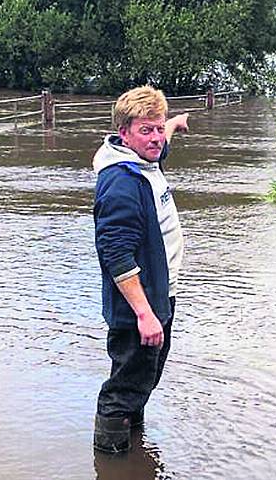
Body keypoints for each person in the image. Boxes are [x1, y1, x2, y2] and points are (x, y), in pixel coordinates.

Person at [91, 85, 189, 453]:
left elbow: (158, 149)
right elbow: (115, 254)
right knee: (126, 387)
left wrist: (174, 125)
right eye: (146, 130)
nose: (156, 138)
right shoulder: (121, 183)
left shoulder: (143, 160)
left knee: (142, 379)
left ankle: (135, 451)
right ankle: (112, 460)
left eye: (159, 128)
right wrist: (145, 315)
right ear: (124, 134)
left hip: (159, 295)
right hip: (138, 307)